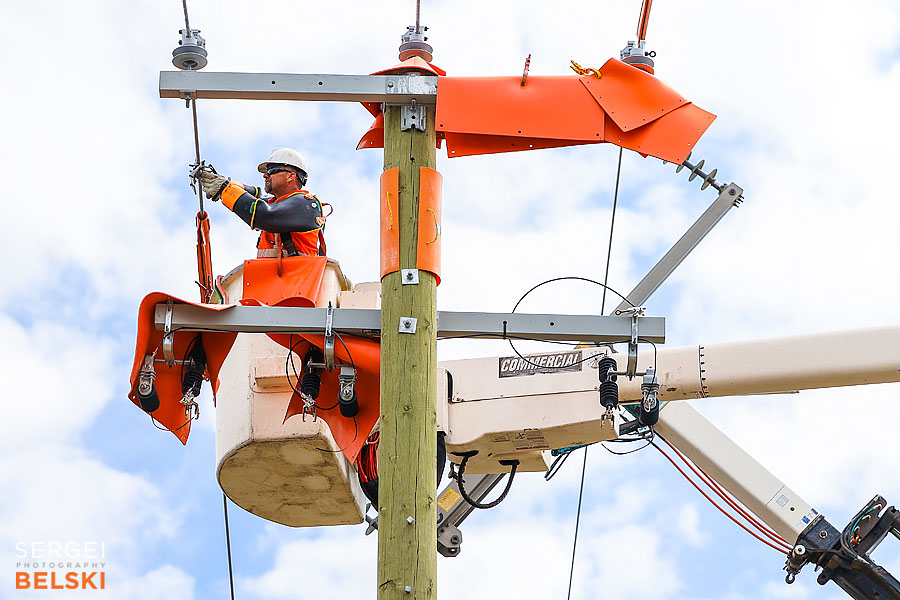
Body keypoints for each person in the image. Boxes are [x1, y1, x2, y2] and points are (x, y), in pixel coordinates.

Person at [200, 148, 326, 257]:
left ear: (290, 176)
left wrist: (225, 189)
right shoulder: (278, 203)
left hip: (298, 281)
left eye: (271, 171)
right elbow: (257, 196)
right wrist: (229, 184)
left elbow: (264, 215)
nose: (265, 175)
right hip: (273, 281)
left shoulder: (306, 204)